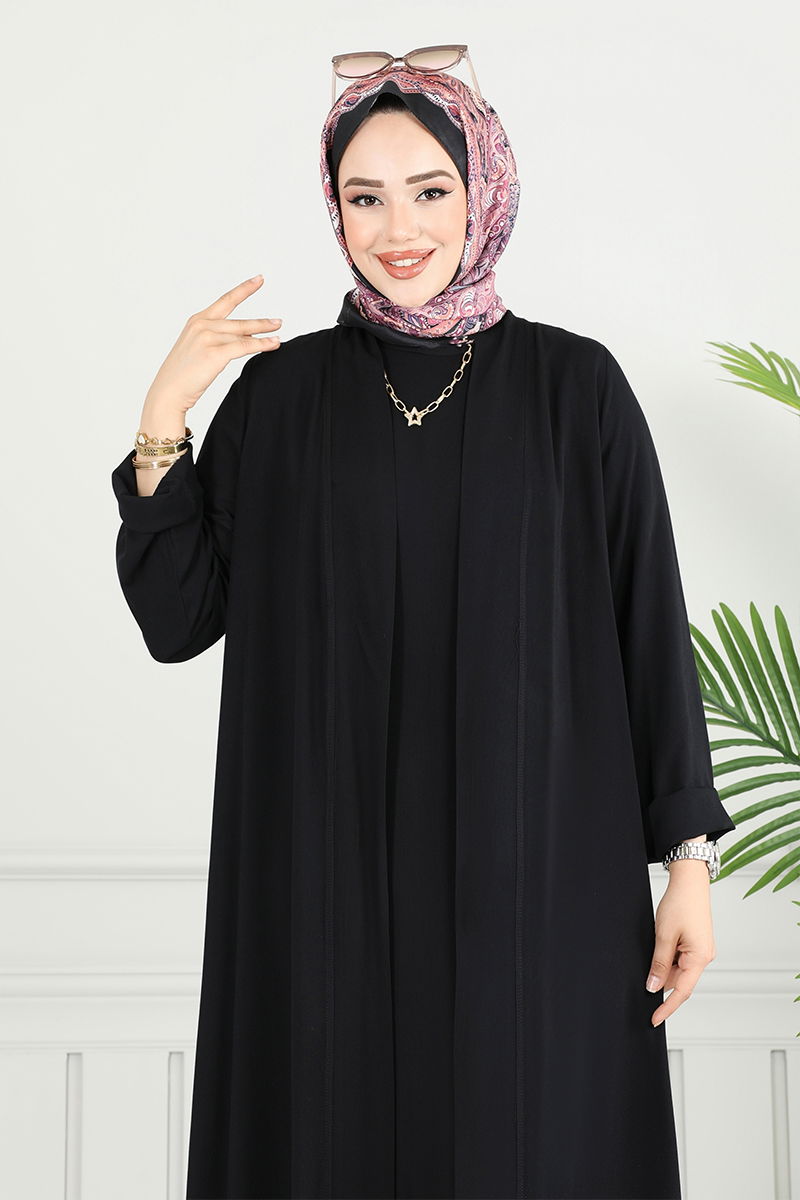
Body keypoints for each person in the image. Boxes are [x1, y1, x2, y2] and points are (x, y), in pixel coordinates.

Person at [111, 54, 736, 1200]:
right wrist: (164, 416)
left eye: (428, 190)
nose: (397, 230)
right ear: (333, 209)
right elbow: (177, 617)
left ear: (483, 187)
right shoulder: (282, 396)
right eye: (365, 197)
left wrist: (687, 865)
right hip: (322, 890)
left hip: (535, 884)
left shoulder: (573, 390)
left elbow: (647, 624)